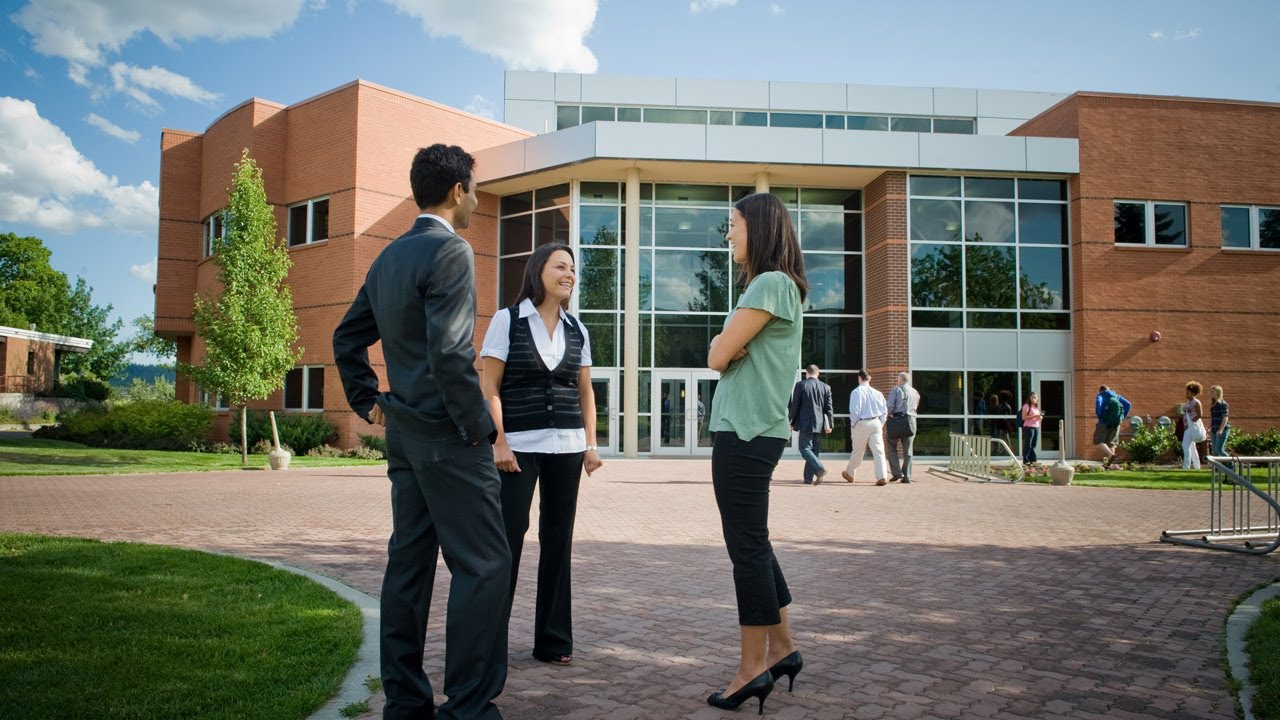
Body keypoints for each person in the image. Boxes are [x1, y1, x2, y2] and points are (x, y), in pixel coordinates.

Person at [333, 144, 511, 720]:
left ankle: (406, 705)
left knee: (408, 567)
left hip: (406, 438)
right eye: (475, 189)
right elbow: (452, 355)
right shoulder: (451, 251)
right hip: (448, 436)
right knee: (483, 565)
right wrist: (480, 428)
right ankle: (469, 709)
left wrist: (370, 403)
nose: (478, 200)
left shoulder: (388, 258)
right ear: (458, 190)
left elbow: (345, 337)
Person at [704, 192, 808, 714]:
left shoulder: (769, 284)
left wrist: (723, 349)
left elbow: (717, 354)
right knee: (756, 544)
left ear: (760, 228)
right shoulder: (778, 287)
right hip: (755, 431)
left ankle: (752, 669)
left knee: (745, 548)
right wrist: (725, 350)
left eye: (734, 225)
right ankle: (784, 649)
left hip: (744, 432)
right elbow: (723, 353)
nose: (728, 235)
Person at [480, 243, 604, 668]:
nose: (568, 274)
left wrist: (591, 445)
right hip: (518, 448)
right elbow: (490, 386)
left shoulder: (578, 329)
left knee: (558, 540)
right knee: (508, 538)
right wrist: (499, 440)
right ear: (539, 271)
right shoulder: (507, 320)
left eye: (572, 268)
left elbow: (585, 392)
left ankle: (552, 640)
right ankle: (490, 640)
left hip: (567, 448)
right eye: (560, 266)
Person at [841, 370, 889, 486]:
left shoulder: (857, 392)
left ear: (859, 378)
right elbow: (884, 411)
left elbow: (854, 411)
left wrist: (853, 424)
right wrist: (880, 423)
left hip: (862, 423)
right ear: (870, 378)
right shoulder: (878, 393)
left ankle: (850, 473)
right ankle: (882, 475)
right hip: (876, 422)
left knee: (858, 451)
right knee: (879, 451)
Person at [788, 364, 834, 485]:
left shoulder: (800, 385)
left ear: (806, 373)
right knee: (814, 450)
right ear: (817, 374)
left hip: (805, 422)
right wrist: (829, 425)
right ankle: (808, 478)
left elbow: (795, 406)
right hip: (819, 424)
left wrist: (791, 421)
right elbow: (829, 409)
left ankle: (820, 468)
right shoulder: (826, 387)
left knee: (804, 449)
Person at [884, 371, 919, 483]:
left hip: (897, 420)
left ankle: (897, 473)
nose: (897, 381)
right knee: (908, 450)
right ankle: (907, 475)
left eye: (898, 379)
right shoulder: (915, 392)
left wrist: (887, 416)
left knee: (891, 445)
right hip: (911, 421)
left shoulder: (896, 390)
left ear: (901, 380)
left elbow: (890, 406)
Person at [1094, 385, 1132, 468]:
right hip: (1116, 423)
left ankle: (1110, 454)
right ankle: (1109, 465)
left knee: (1099, 441)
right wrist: (1122, 418)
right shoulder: (1116, 396)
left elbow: (1098, 405)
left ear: (1100, 390)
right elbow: (1128, 404)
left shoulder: (1101, 396)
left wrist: (1101, 417)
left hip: (1104, 423)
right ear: (1109, 390)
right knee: (1112, 444)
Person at [1182, 381, 1205, 469]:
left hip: (1191, 427)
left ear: (1192, 393)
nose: (1186, 394)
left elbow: (1199, 415)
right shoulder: (1188, 402)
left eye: (1188, 392)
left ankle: (1186, 466)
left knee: (1185, 445)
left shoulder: (1196, 402)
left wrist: (1192, 421)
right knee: (1192, 447)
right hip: (1187, 427)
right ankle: (1197, 465)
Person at [1020, 392, 1043, 464]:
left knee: (1033, 444)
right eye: (1032, 397)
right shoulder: (1026, 406)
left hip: (1036, 427)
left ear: (1037, 399)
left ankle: (1033, 460)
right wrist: (1034, 416)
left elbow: (1038, 418)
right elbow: (1024, 417)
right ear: (1029, 398)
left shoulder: (1036, 407)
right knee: (1028, 444)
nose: (1034, 399)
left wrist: (1040, 417)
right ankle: (1026, 459)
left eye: (1035, 397)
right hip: (1028, 427)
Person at [1209, 385, 1231, 457]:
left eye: (1213, 391)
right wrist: (1209, 427)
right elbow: (1212, 417)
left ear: (1218, 392)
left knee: (1219, 449)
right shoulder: (1213, 404)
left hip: (1222, 429)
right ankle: (1218, 468)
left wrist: (1221, 430)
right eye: (1211, 391)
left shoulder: (1223, 404)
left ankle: (1231, 465)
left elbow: (1225, 417)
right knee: (1215, 451)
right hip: (1214, 429)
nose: (1211, 393)